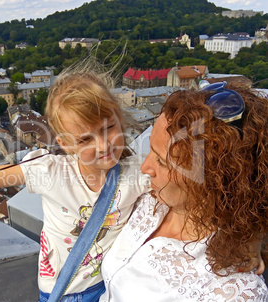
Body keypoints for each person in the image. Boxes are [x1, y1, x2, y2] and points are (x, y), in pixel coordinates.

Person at [0, 60, 149, 301]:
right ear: (65, 144)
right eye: (85, 140)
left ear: (120, 117)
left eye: (109, 128)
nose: (104, 145)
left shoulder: (138, 172)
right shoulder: (50, 172)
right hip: (59, 291)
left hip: (107, 287)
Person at [100, 82, 268, 301]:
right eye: (149, 150)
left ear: (214, 181)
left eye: (162, 162)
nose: (145, 168)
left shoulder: (232, 290)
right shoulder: (148, 198)